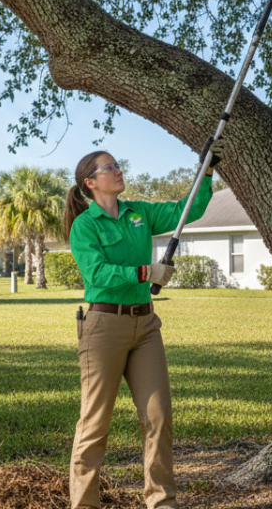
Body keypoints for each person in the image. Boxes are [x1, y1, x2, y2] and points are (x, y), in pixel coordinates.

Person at [64, 148, 220, 509]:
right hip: (104, 327)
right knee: (95, 422)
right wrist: (147, 272)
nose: (118, 170)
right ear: (90, 182)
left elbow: (188, 210)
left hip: (146, 325)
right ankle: (84, 504)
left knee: (158, 416)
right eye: (110, 167)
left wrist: (206, 174)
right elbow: (97, 274)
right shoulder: (85, 225)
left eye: (118, 165)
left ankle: (161, 501)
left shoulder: (140, 212)